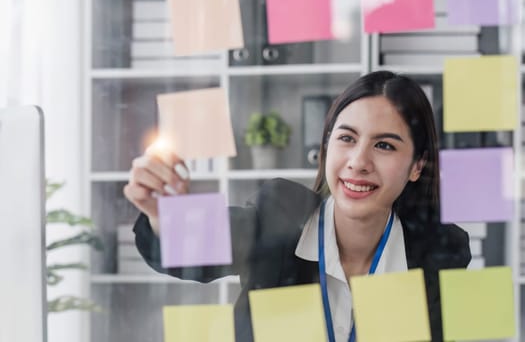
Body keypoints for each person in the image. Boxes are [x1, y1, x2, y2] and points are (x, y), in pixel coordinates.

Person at [123, 70, 471, 342]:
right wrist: (162, 215)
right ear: (326, 148)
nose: (358, 161)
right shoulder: (279, 217)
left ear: (416, 167)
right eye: (346, 139)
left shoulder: (439, 253)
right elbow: (193, 252)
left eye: (384, 146)